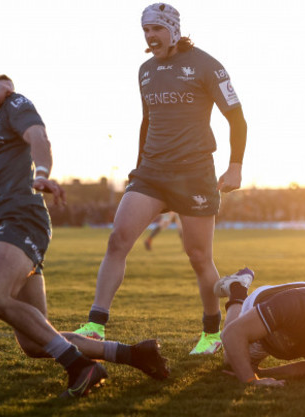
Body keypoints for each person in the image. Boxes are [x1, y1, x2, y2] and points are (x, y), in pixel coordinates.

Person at [0, 61, 170, 398]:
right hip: (1, 225)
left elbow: (37, 137)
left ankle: (80, 367)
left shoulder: (14, 105)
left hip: (20, 216)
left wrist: (42, 171)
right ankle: (135, 354)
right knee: (35, 341)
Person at [74, 3, 248, 355]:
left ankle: (211, 333)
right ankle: (95, 324)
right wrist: (138, 165)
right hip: (151, 173)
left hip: (194, 175)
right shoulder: (145, 70)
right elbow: (146, 121)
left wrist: (235, 166)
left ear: (173, 30)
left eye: (156, 29)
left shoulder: (207, 65)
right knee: (118, 239)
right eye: (146, 31)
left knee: (198, 256)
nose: (151, 36)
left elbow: (237, 118)